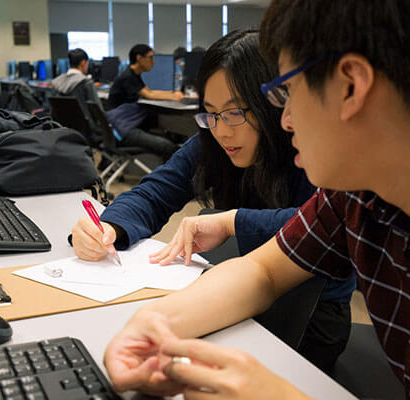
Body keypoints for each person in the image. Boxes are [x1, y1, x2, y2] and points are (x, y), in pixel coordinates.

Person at [101, 1, 410, 398]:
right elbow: (262, 272)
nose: (284, 119)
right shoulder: (353, 193)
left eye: (288, 91)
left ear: (351, 85)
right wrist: (154, 322)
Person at [72, 30, 355, 373]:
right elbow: (156, 191)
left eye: (234, 112)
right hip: (242, 289)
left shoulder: (310, 153)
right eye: (210, 113)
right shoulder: (212, 140)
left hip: (310, 308)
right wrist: (110, 226)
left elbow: (331, 224)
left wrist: (233, 220)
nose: (221, 130)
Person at [108, 44, 185, 109]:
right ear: (139, 58)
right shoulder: (128, 77)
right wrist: (175, 97)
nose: (153, 62)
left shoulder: (134, 74)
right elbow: (150, 95)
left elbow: (149, 91)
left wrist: (173, 93)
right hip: (120, 118)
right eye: (150, 58)